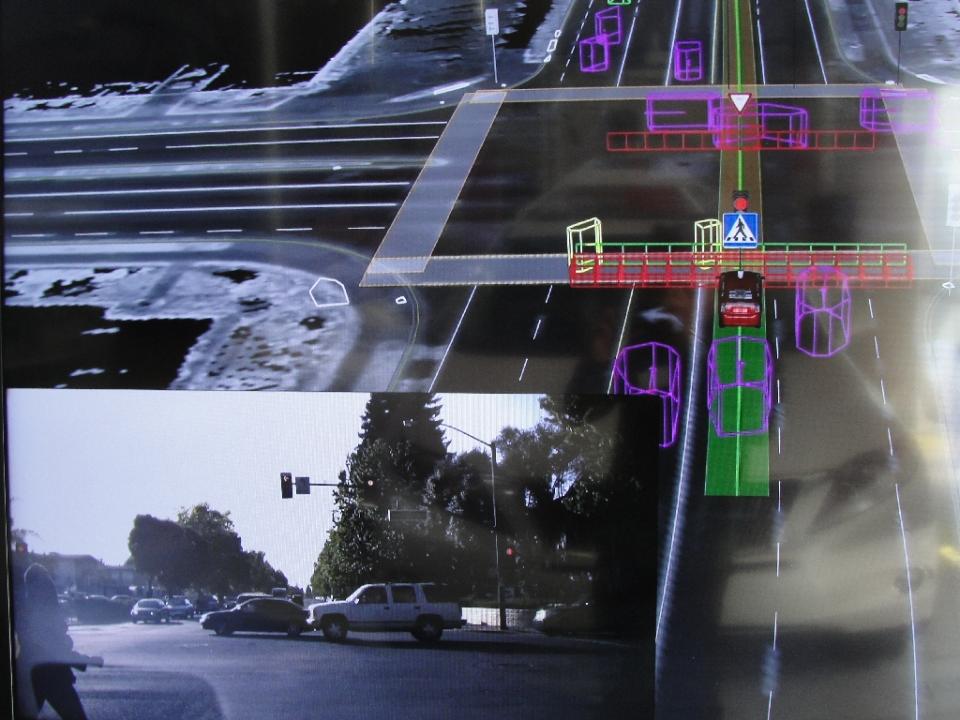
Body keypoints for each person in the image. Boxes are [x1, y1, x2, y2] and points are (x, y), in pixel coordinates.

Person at [14, 563, 91, 720]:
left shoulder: (25, 611)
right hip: (53, 675)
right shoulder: (42, 612)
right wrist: (77, 658)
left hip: (33, 675)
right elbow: (52, 645)